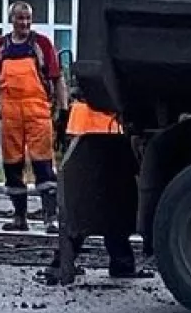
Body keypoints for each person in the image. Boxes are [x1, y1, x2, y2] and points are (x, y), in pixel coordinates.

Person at [0, 1, 67, 233]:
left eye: (28, 18)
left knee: (43, 165)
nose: (25, 23)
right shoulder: (0, 46)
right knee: (12, 165)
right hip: (9, 114)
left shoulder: (42, 45)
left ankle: (50, 218)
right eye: (20, 19)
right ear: (12, 20)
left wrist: (64, 109)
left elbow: (57, 79)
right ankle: (20, 217)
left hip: (38, 113)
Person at [59, 87, 146, 279]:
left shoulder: (82, 108)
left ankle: (63, 262)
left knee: (86, 213)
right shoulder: (90, 109)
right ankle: (121, 264)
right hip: (105, 155)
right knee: (107, 213)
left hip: (96, 156)